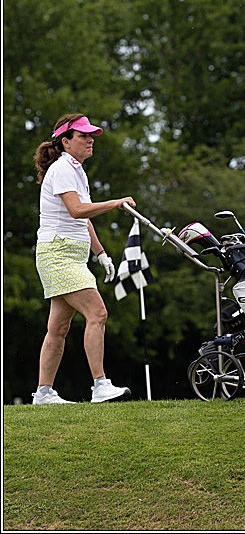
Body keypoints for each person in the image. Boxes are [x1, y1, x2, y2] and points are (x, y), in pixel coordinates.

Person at [31, 113, 136, 405]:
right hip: (58, 254)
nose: (90, 140)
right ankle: (100, 386)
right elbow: (78, 210)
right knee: (98, 313)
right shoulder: (63, 167)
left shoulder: (76, 169)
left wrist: (100, 253)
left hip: (72, 256)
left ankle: (43, 393)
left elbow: (82, 218)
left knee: (58, 328)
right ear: (66, 141)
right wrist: (116, 202)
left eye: (91, 135)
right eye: (83, 136)